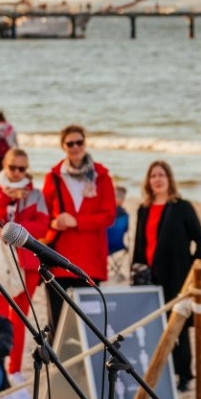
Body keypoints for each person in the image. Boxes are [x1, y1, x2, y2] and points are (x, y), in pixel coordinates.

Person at [131, 161, 201, 391]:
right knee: (156, 326)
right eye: (153, 175)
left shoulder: (181, 206)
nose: (157, 179)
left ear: (169, 179)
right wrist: (135, 271)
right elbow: (139, 244)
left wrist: (195, 269)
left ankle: (185, 374)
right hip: (150, 276)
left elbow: (200, 238)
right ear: (148, 181)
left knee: (179, 326)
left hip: (178, 276)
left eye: (161, 175)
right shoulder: (144, 208)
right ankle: (163, 373)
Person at [0, 148, 51, 375]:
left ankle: (15, 370)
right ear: (5, 166)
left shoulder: (35, 194)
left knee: (19, 318)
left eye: (22, 168)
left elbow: (43, 225)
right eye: (13, 167)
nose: (17, 173)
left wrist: (13, 231)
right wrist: (6, 197)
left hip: (26, 263)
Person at [41, 124, 117, 332]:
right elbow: (43, 215)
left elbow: (109, 216)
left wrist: (77, 221)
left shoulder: (102, 176)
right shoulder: (53, 177)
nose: (75, 147)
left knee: (89, 326)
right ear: (63, 146)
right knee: (58, 325)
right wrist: (54, 223)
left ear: (85, 143)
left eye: (79, 142)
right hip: (59, 260)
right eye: (70, 143)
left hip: (91, 261)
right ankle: (58, 365)